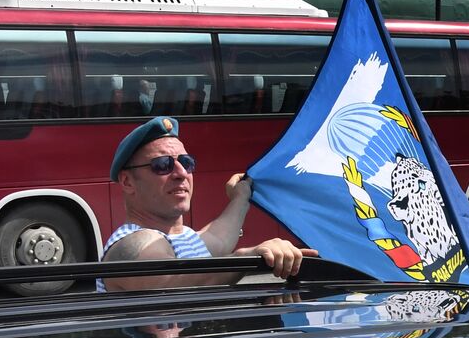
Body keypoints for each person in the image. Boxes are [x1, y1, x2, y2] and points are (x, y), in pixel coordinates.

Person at [100, 115, 316, 291]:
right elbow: (172, 284)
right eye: (163, 165)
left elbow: (218, 237)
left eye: (186, 162)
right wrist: (247, 257)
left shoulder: (184, 237)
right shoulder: (135, 241)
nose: (181, 173)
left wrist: (240, 197)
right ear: (128, 182)